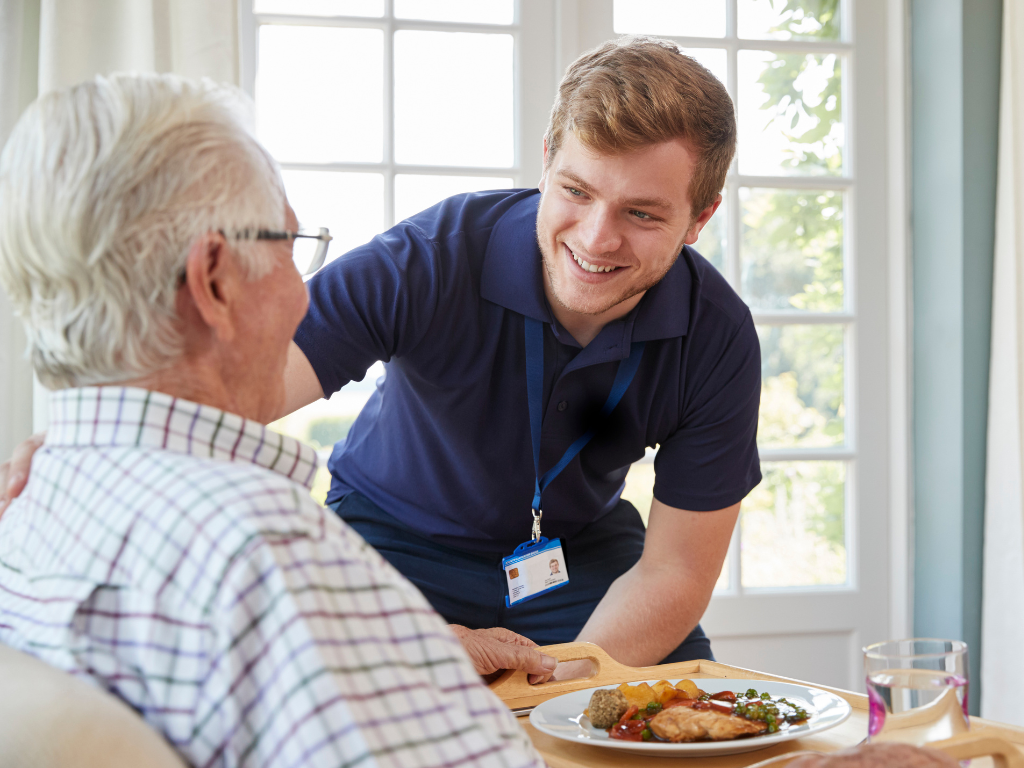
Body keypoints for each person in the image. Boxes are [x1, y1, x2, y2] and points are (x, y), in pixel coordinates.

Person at [2, 36, 761, 675]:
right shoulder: (428, 259)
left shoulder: (718, 334)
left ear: (700, 218)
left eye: (641, 213)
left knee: (669, 713)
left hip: (576, 558)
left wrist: (560, 685)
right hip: (392, 542)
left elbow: (675, 570)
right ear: (546, 160)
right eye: (575, 190)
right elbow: (229, 389)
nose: (596, 239)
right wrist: (84, 446)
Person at [0, 72, 544, 768]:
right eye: (291, 247)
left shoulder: (29, 506)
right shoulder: (260, 548)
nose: (303, 297)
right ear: (216, 279)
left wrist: (389, 648)